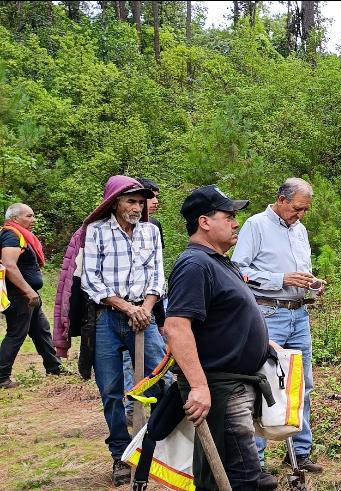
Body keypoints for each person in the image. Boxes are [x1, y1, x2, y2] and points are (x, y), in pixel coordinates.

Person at [164, 184, 278, 491]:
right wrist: (199, 386)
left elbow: (220, 317)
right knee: (241, 476)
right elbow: (176, 327)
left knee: (241, 472)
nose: (236, 222)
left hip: (238, 384)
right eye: (228, 216)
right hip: (221, 389)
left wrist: (261, 342)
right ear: (204, 222)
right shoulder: (194, 264)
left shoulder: (216, 261)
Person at [78, 176, 168, 486]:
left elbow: (158, 274)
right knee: (111, 391)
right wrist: (127, 308)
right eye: (131, 201)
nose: (137, 207)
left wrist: (145, 306)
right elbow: (91, 281)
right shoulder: (96, 232)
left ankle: (161, 444)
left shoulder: (150, 231)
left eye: (141, 202)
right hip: (107, 317)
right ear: (115, 201)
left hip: (144, 313)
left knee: (161, 380)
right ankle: (120, 453)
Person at [231, 177, 323, 474]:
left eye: (306, 210)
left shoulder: (300, 230)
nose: (301, 215)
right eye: (297, 208)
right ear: (281, 200)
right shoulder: (256, 225)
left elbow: (300, 271)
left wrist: (312, 283)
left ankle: (299, 450)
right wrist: (279, 279)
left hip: (299, 314)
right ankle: (255, 460)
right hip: (268, 314)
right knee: (263, 382)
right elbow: (239, 270)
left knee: (302, 384)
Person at [1, 203, 63, 389]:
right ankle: (2, 376)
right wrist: (27, 291)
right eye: (29, 216)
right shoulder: (12, 234)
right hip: (19, 294)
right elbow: (9, 265)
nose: (33, 219)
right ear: (14, 218)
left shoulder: (20, 235)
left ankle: (54, 367)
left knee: (41, 329)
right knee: (16, 333)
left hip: (28, 294)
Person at [124, 177, 167, 419]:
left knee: (156, 361)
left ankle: (160, 413)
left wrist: (158, 315)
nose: (153, 202)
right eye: (148, 197)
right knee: (128, 361)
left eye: (152, 198)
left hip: (149, 305)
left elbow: (155, 272)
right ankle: (132, 409)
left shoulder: (154, 227)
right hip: (123, 308)